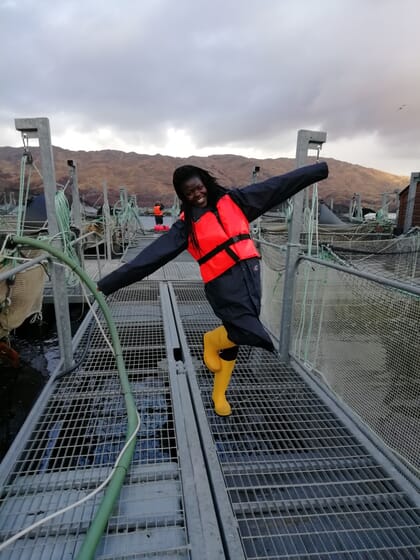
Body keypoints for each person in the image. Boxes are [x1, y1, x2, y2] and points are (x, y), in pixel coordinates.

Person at [98, 162, 329, 416]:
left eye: (199, 188)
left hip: (250, 276)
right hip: (222, 284)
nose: (197, 195)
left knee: (238, 333)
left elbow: (279, 186)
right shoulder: (186, 227)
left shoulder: (237, 201)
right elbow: (150, 258)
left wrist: (318, 171)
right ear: (182, 196)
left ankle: (218, 388)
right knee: (246, 330)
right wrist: (108, 284)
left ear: (205, 183)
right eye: (189, 193)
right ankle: (213, 350)